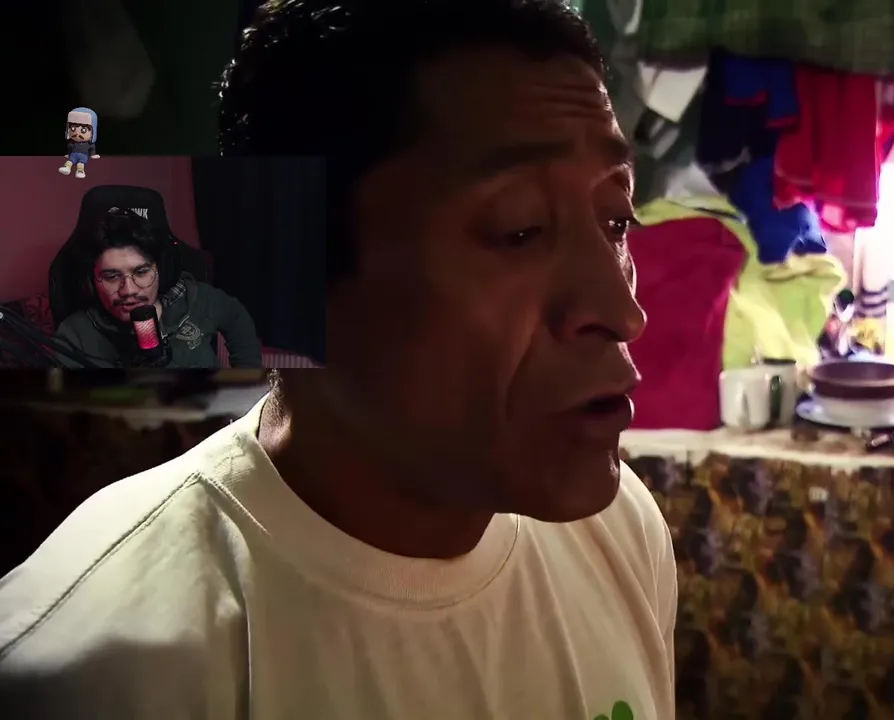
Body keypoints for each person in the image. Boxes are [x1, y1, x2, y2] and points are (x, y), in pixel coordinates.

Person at [0, 1, 674, 719]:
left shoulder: (620, 530)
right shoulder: (106, 673)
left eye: (616, 220)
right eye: (520, 230)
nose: (624, 311)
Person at [52, 207, 263, 369]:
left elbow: (236, 317)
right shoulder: (73, 336)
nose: (128, 290)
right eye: (112, 276)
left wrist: (248, 377)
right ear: (91, 283)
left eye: (141, 272)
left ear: (162, 271)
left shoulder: (198, 299)